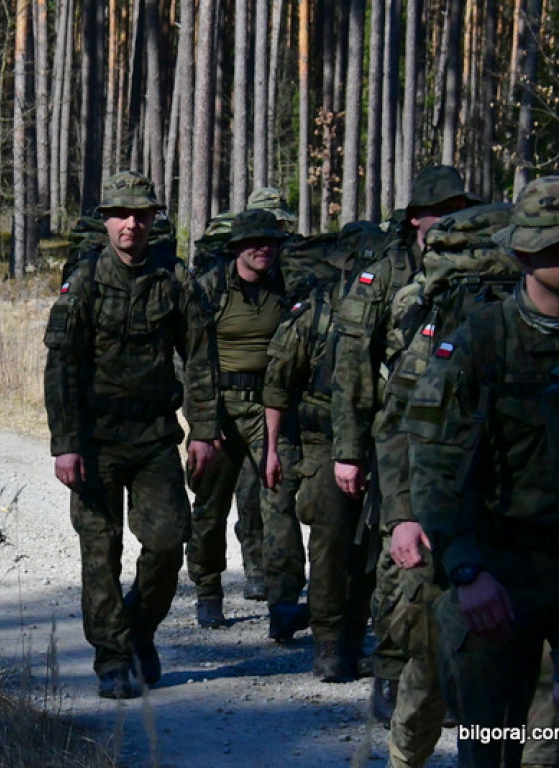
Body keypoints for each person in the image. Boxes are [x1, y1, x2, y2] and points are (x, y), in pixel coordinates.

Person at [404, 175, 559, 768]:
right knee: (493, 744)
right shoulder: (481, 341)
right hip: (497, 571)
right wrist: (466, 570)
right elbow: (437, 466)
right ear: (522, 252)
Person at [43, 171, 217, 699]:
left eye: (142, 215)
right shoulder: (86, 280)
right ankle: (112, 659)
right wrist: (66, 443)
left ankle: (139, 629)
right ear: (106, 221)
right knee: (101, 550)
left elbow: (202, 359)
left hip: (153, 436)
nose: (131, 224)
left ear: (152, 221)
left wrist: (204, 431)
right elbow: (61, 367)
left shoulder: (174, 279)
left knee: (167, 542)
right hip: (95, 440)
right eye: (122, 214)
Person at [331, 165, 481, 724]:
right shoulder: (383, 275)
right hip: (392, 431)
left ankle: (452, 673)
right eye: (437, 211)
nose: (447, 221)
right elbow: (354, 365)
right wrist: (348, 449)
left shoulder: (480, 271)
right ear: (415, 216)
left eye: (457, 208)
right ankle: (392, 670)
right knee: (398, 557)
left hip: (457, 433)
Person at [262, 226, 379, 681]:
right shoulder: (315, 314)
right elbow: (277, 386)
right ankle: (328, 639)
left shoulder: (396, 308)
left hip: (377, 443)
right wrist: (273, 450)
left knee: (372, 549)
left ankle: (356, 637)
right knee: (330, 543)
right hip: (321, 443)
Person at [187, 209, 308, 640]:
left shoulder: (286, 288)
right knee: (211, 502)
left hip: (271, 407)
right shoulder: (209, 289)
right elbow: (189, 356)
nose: (263, 249)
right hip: (219, 406)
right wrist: (202, 420)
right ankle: (208, 591)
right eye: (254, 242)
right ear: (236, 248)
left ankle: (283, 603)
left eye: (271, 242)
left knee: (281, 498)